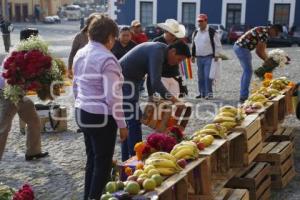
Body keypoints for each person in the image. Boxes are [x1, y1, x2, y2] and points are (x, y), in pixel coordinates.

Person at [73, 15, 128, 200]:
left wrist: (80, 103)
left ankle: (88, 196)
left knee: (92, 159)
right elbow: (113, 97)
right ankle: (94, 197)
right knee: (102, 163)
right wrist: (122, 124)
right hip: (100, 116)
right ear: (110, 37)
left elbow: (75, 85)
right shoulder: (108, 59)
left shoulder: (81, 52)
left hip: (82, 111)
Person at [120, 41, 191, 161]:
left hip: (132, 81)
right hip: (123, 80)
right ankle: (136, 158)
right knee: (134, 120)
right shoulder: (157, 52)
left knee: (130, 121)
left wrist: (151, 96)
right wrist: (175, 100)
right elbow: (156, 82)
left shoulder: (162, 52)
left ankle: (127, 157)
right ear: (173, 51)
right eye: (178, 59)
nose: (177, 63)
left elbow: (151, 77)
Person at [0, 66, 48, 161]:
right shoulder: (20, 63)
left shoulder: (25, 63)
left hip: (17, 94)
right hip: (7, 94)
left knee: (34, 120)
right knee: (3, 129)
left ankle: (33, 152)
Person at [234, 24, 283, 102]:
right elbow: (259, 51)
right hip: (242, 48)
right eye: (276, 33)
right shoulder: (264, 33)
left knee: (246, 71)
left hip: (240, 47)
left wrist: (267, 60)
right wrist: (268, 62)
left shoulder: (264, 31)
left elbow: (262, 50)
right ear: (273, 29)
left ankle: (243, 95)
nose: (276, 35)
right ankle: (243, 97)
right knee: (248, 71)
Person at [153, 19, 187, 97]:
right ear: (165, 31)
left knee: (175, 101)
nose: (173, 36)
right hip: (161, 76)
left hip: (174, 75)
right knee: (162, 102)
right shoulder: (156, 42)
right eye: (171, 34)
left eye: (175, 34)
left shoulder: (179, 43)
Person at [191, 14, 222, 100]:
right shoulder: (196, 32)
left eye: (201, 21)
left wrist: (217, 55)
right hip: (199, 58)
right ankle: (202, 93)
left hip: (209, 57)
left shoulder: (212, 32)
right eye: (198, 21)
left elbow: (218, 45)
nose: (199, 23)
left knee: (208, 76)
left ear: (206, 21)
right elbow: (194, 45)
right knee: (200, 77)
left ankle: (209, 94)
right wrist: (193, 55)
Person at [67, 13, 100, 79]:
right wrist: (69, 68)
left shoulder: (100, 37)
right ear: (88, 24)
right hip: (81, 70)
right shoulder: (79, 36)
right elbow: (72, 53)